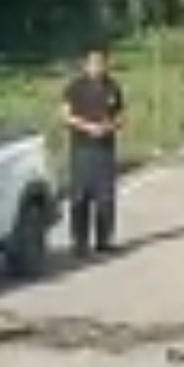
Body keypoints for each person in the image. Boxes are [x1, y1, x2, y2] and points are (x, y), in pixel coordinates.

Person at [62, 46, 126, 256]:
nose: (98, 67)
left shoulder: (113, 87)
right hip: (81, 149)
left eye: (102, 63)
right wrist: (88, 127)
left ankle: (104, 240)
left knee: (106, 199)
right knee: (80, 197)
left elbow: (121, 116)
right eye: (94, 63)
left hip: (105, 150)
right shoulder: (75, 87)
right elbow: (66, 116)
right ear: (86, 65)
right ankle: (79, 242)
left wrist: (110, 126)